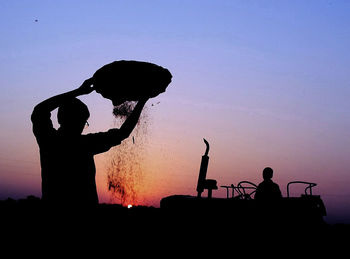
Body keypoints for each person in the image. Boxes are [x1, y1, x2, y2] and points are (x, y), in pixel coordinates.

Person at [31, 78, 148, 207]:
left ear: (60, 118)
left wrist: (79, 91)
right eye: (84, 122)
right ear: (80, 121)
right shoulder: (86, 144)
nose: (83, 126)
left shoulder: (48, 140)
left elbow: (40, 111)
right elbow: (123, 132)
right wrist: (143, 100)